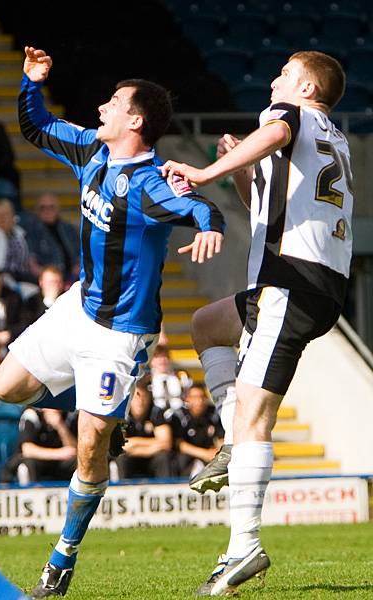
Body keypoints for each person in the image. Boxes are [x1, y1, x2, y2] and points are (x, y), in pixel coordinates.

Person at [0, 46, 225, 598]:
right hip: (78, 306)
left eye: (114, 102)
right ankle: (106, 414)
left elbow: (198, 207)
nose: (102, 106)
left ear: (136, 120)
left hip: (121, 334)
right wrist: (31, 81)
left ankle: (62, 557)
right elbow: (36, 126)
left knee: (91, 443)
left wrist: (211, 225)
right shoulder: (92, 150)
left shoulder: (152, 182)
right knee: (4, 389)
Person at [162, 50, 353, 595]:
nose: (274, 80)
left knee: (254, 417)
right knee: (206, 324)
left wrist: (203, 170)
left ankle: (242, 548)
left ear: (308, 88)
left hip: (291, 283)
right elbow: (263, 208)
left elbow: (273, 131)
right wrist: (242, 171)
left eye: (285, 74)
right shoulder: (325, 136)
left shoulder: (292, 118)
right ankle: (231, 443)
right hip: (301, 282)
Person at [114, 376, 173, 479]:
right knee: (120, 457)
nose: (140, 401)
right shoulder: (122, 414)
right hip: (130, 459)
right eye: (136, 396)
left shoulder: (156, 412)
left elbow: (166, 443)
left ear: (149, 397)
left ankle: (165, 489)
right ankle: (124, 490)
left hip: (151, 459)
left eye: (144, 396)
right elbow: (119, 446)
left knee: (163, 457)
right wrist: (153, 442)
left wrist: (134, 446)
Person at [1, 407, 77, 485]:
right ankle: (31, 494)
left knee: (79, 462)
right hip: (34, 461)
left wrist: (60, 426)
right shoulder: (32, 415)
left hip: (58, 464)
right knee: (29, 463)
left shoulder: (69, 415)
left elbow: (73, 450)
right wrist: (58, 454)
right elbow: (27, 449)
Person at [24, 192, 81, 284]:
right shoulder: (31, 231)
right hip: (48, 280)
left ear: (58, 209)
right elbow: (32, 264)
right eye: (43, 207)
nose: (47, 210)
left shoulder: (69, 228)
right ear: (37, 210)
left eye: (51, 207)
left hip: (73, 278)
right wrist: (50, 277)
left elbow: (80, 253)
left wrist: (78, 267)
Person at [171, 383, 224, 478]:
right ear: (187, 399)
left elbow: (221, 439)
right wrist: (204, 454)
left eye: (202, 397)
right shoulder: (180, 416)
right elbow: (179, 444)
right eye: (195, 397)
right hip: (188, 457)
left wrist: (218, 452)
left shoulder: (214, 414)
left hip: (209, 455)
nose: (199, 401)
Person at [149, 343, 191, 416]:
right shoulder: (146, 380)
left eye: (166, 356)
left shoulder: (181, 376)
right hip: (155, 415)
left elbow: (188, 398)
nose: (162, 360)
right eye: (158, 357)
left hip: (179, 414)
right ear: (151, 361)